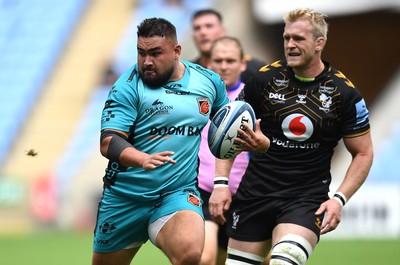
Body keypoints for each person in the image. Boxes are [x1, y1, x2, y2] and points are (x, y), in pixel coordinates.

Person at [209, 8, 374, 265]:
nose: (290, 45)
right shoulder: (263, 79)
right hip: (255, 194)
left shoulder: (344, 93)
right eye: (287, 38)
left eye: (298, 39)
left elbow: (363, 152)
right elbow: (230, 131)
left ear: (320, 43)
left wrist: (339, 199)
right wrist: (221, 183)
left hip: (305, 198)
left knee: (284, 261)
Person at [92, 17, 230, 265]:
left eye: (155, 53)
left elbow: (227, 132)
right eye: (141, 53)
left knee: (189, 254)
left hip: (176, 192)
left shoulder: (209, 82)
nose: (147, 62)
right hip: (125, 198)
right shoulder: (127, 86)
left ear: (177, 51)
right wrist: (142, 158)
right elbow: (109, 141)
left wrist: (222, 182)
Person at [198, 36, 249, 265]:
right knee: (205, 258)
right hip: (203, 191)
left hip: (244, 196)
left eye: (230, 60)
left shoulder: (253, 99)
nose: (224, 66)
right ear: (209, 63)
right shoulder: (197, 98)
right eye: (218, 60)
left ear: (243, 63)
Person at [191, 8, 266, 83]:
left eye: (209, 26)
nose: (203, 32)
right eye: (197, 28)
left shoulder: (255, 70)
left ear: (223, 31)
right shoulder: (186, 73)